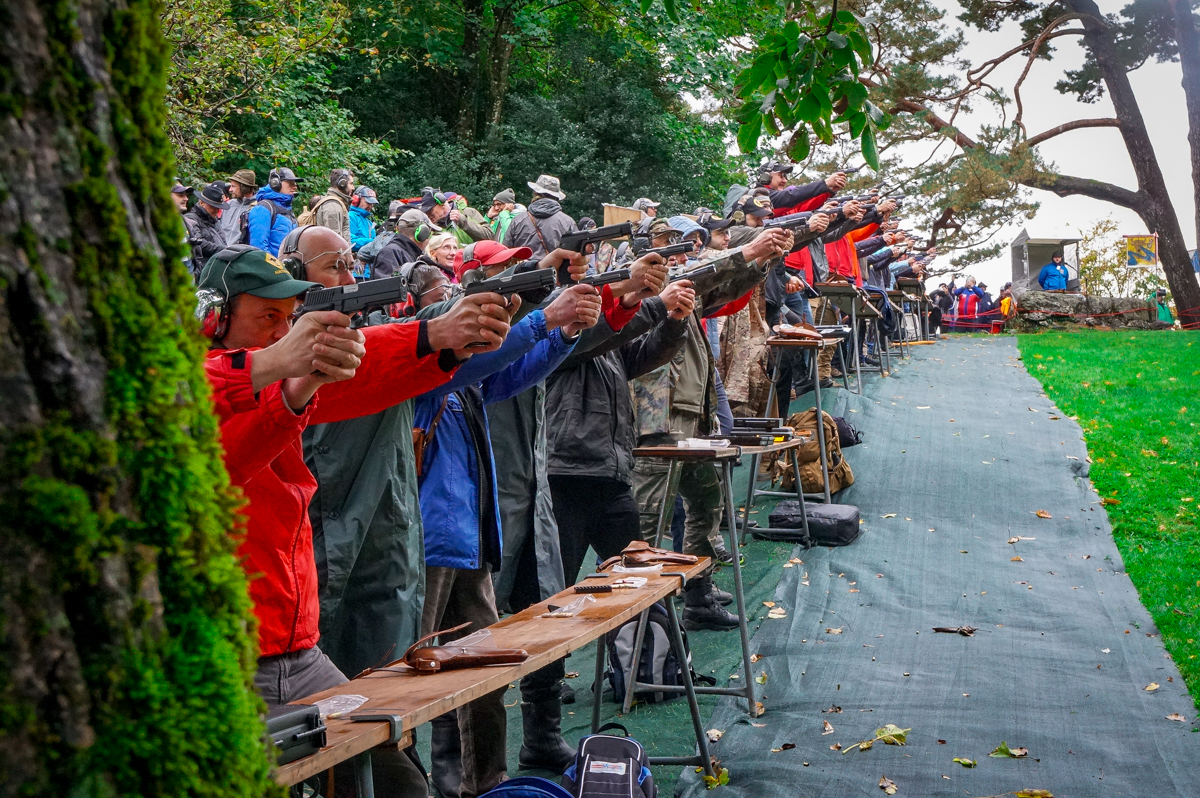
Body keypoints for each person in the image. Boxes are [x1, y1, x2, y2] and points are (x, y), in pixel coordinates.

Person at [199, 241, 513, 798]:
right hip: (221, 664)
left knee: (399, 786)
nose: (283, 331)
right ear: (214, 317)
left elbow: (363, 370)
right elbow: (224, 454)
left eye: (290, 318)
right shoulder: (178, 387)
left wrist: (436, 337)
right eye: (266, 317)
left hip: (298, 654)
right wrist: (286, 375)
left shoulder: (263, 379)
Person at [412, 266, 601, 798]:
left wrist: (562, 335)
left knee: (485, 672)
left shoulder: (464, 385)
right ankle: (410, 780)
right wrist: (544, 319)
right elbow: (487, 360)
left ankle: (485, 781)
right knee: (401, 681)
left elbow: (513, 373)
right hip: (428, 547)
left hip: (467, 544)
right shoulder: (429, 377)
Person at [503, 174, 576, 260]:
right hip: (556, 272)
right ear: (557, 197)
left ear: (535, 193)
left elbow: (506, 253)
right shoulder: (567, 222)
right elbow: (576, 254)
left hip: (524, 272)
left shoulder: (518, 221)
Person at [247, 167, 301, 254]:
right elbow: (258, 248)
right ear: (275, 183)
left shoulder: (288, 210)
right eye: (290, 183)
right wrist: (273, 266)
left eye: (295, 183)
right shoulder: (263, 209)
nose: (295, 187)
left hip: (285, 266)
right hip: (270, 266)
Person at [182, 182, 229, 277]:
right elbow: (199, 244)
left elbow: (223, 242)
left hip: (215, 271)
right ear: (202, 203)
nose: (217, 210)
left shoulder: (214, 220)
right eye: (213, 207)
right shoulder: (191, 219)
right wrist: (223, 250)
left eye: (218, 207)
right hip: (202, 272)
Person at [373, 208, 436, 277]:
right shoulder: (390, 253)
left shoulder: (410, 254)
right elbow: (387, 286)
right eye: (430, 233)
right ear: (422, 233)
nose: (429, 238)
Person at [310, 168, 354, 242]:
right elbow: (334, 242)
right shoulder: (333, 206)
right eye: (351, 183)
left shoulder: (337, 203)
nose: (353, 188)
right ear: (342, 184)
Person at [219, 169, 258, 245]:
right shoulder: (228, 205)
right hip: (221, 252)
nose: (230, 190)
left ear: (244, 188)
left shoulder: (257, 208)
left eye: (233, 186)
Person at [348, 186, 378, 252]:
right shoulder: (351, 217)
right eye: (368, 203)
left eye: (372, 204)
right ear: (356, 200)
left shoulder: (369, 222)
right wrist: (374, 242)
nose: (370, 206)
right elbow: (350, 241)